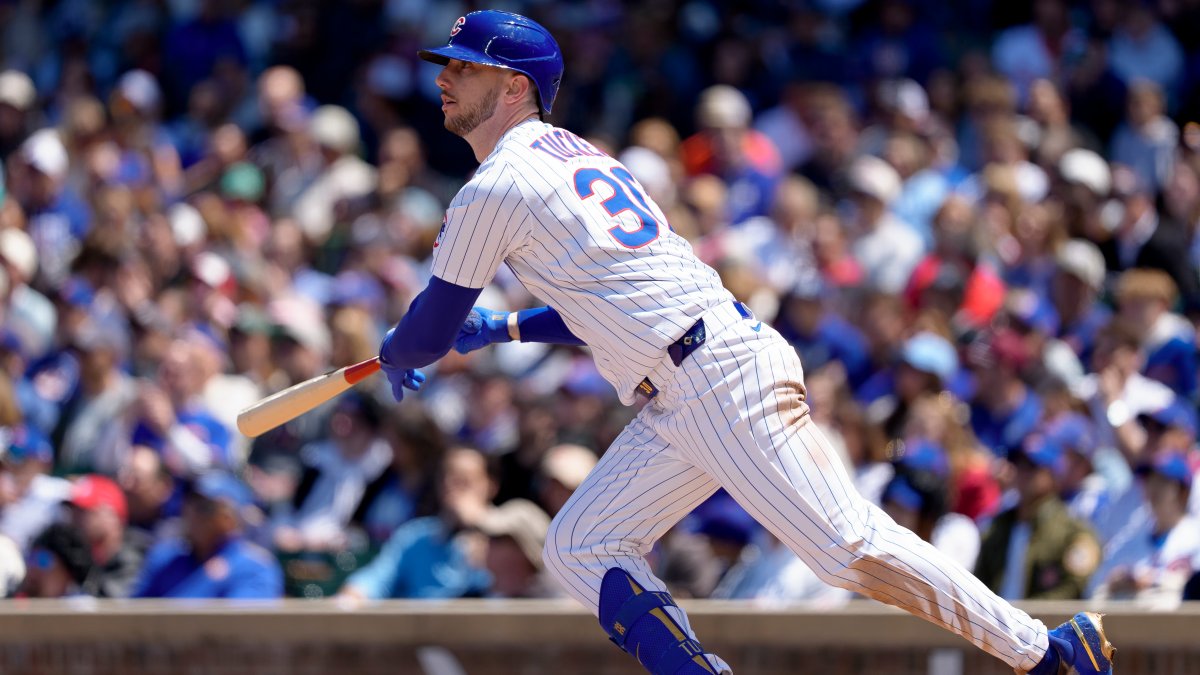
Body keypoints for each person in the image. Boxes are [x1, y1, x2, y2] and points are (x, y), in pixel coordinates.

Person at [376, 10, 1115, 675]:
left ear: (512, 85)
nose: (445, 77)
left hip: (712, 375)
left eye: (463, 64)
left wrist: (399, 350)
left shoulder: (494, 185)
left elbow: (427, 328)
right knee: (580, 544)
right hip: (689, 375)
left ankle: (1049, 653)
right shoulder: (578, 158)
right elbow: (603, 308)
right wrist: (502, 326)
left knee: (845, 546)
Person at [133, 471, 282, 599]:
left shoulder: (254, 567)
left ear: (229, 519)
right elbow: (132, 615)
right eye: (190, 501)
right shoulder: (165, 558)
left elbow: (243, 626)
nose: (192, 513)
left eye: (205, 507)